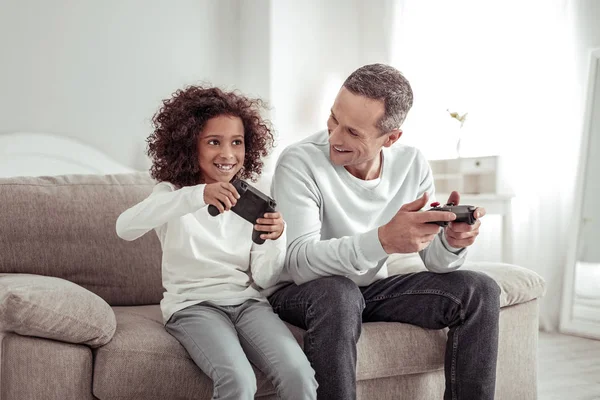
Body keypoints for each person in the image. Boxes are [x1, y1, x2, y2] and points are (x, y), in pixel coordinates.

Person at [265, 64, 501, 400]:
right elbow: (300, 263)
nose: (334, 137)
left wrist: (451, 243)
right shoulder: (299, 161)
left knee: (480, 290)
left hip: (368, 291)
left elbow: (435, 262)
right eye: (333, 118)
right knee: (339, 293)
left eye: (353, 132)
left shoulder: (412, 164)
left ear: (391, 138)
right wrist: (382, 241)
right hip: (301, 293)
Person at [116, 85, 317, 400]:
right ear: (188, 147)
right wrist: (199, 194)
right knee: (238, 380)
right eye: (213, 142)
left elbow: (264, 278)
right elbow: (124, 228)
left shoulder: (253, 201)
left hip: (249, 304)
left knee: (300, 375)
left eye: (236, 142)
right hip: (193, 306)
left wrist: (275, 238)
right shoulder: (172, 195)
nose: (227, 154)